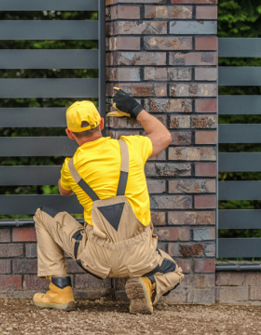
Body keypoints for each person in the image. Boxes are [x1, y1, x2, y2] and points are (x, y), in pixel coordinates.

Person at [32, 88, 183, 314]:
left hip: (96, 259)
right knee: (174, 272)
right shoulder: (131, 147)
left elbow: (64, 192)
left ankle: (59, 290)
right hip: (141, 258)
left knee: (43, 215)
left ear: (69, 133)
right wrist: (135, 109)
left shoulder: (71, 166)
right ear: (101, 123)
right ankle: (149, 284)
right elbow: (164, 136)